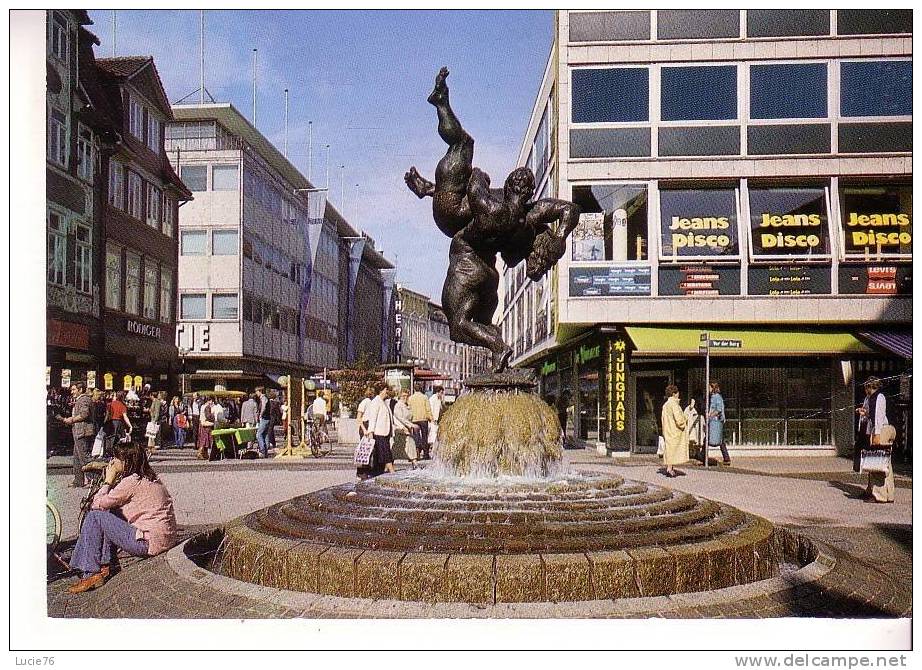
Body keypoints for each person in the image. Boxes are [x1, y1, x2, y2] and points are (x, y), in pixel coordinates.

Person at [404, 67, 581, 372]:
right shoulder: (528, 218)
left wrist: (477, 175)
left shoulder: (495, 208)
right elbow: (570, 210)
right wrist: (558, 239)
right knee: (480, 323)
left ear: (512, 183)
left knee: (463, 145)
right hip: (488, 272)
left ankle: (441, 103)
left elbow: (476, 193)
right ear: (529, 192)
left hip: (459, 239)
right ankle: (496, 349)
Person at [67, 441, 177, 593]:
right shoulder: (150, 477)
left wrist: (108, 481)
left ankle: (91, 573)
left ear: (126, 462)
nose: (112, 461)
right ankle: (105, 564)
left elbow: (96, 504)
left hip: (149, 543)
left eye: (116, 458)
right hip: (164, 538)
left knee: (95, 516)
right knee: (110, 512)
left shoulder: (131, 482)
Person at [856, 376, 895, 503]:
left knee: (878, 460)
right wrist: (865, 413)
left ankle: (880, 494)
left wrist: (877, 434)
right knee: (884, 461)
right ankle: (884, 493)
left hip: (880, 430)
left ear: (869, 386)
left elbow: (879, 416)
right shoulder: (872, 398)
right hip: (878, 429)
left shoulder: (878, 397)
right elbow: (873, 414)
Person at [57, 383, 96, 488]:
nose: (72, 391)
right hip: (78, 432)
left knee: (84, 457)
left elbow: (84, 414)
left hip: (83, 432)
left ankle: (93, 480)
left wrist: (72, 419)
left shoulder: (84, 399)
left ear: (81, 389)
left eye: (74, 389)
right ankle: (78, 480)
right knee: (77, 458)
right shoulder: (80, 399)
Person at [361, 383, 397, 477]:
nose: (387, 392)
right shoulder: (376, 402)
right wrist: (370, 432)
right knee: (386, 453)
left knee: (380, 455)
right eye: (386, 390)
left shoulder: (382, 402)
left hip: (384, 432)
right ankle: (392, 472)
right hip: (379, 432)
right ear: (381, 390)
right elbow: (373, 418)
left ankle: (376, 473)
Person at [660, 385, 688, 478]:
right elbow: (679, 419)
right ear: (674, 394)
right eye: (677, 392)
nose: (679, 394)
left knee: (669, 449)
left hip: (668, 430)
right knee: (674, 450)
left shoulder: (666, 405)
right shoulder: (674, 404)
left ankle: (670, 467)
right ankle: (669, 469)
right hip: (675, 431)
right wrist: (684, 422)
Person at [392, 390, 420, 469]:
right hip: (401, 429)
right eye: (403, 396)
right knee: (406, 445)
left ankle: (414, 463)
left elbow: (409, 417)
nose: (405, 397)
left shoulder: (407, 405)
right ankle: (415, 463)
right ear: (400, 396)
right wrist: (411, 425)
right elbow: (400, 418)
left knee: (401, 447)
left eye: (407, 396)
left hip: (407, 429)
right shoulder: (398, 405)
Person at [707, 381, 730, 465]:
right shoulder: (714, 396)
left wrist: (709, 416)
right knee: (720, 440)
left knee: (708, 438)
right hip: (715, 421)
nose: (708, 389)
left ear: (713, 388)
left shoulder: (716, 397)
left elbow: (719, 409)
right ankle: (726, 458)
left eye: (709, 387)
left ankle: (703, 456)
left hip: (715, 421)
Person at [408, 386, 433, 459]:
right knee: (424, 437)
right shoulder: (424, 397)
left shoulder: (411, 398)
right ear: (421, 389)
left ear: (414, 389)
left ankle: (417, 454)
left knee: (416, 437)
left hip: (414, 419)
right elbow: (428, 409)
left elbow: (409, 409)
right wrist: (431, 418)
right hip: (423, 419)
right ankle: (425, 454)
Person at [255, 387, 272, 458]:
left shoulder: (263, 398)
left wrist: (261, 414)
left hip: (264, 418)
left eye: (257, 392)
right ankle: (266, 450)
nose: (256, 393)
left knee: (259, 434)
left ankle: (262, 450)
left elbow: (264, 407)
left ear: (260, 391)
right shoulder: (265, 398)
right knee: (264, 434)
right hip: (267, 418)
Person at [428, 386, 444, 456]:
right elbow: (430, 409)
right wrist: (432, 419)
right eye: (441, 393)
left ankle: (434, 450)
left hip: (437, 420)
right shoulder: (432, 399)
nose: (442, 394)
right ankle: (432, 451)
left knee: (435, 435)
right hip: (433, 420)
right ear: (438, 392)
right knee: (433, 435)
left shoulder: (439, 399)